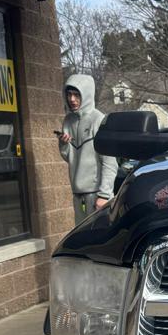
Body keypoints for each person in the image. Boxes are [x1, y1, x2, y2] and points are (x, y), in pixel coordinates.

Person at [58, 74, 116, 223]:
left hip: (97, 196)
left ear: (87, 94)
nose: (72, 99)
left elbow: (110, 162)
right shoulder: (68, 121)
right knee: (83, 241)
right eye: (69, 94)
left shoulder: (99, 120)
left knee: (101, 241)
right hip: (78, 196)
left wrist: (104, 195)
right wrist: (64, 144)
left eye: (77, 95)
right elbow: (69, 157)